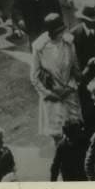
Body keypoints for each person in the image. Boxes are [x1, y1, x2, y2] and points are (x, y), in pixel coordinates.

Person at [31, 13, 82, 144]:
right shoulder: (39, 47)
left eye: (61, 31)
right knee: (57, 135)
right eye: (55, 32)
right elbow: (34, 76)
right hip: (51, 94)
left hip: (69, 91)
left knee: (75, 129)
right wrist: (47, 93)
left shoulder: (69, 42)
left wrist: (70, 87)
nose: (59, 34)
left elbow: (76, 70)